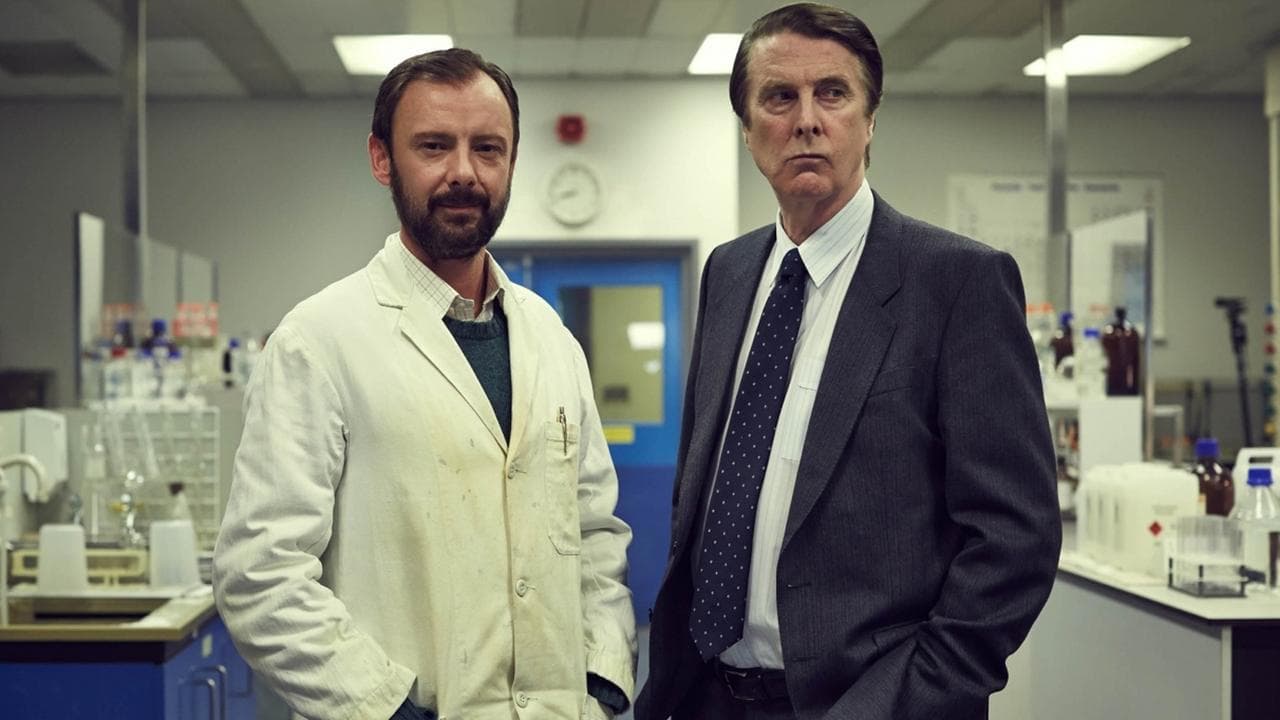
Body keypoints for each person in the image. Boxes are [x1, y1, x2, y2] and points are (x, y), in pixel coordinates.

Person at [636, 5, 1061, 720]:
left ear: (869, 121)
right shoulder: (729, 273)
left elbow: (1016, 538)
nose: (807, 120)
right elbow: (702, 489)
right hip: (708, 696)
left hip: (870, 701)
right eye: (779, 97)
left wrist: (913, 697)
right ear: (747, 129)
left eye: (832, 93)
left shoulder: (956, 282)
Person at [213, 48, 635, 720]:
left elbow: (595, 533)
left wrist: (602, 679)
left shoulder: (552, 339)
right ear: (382, 159)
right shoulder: (318, 341)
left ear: (512, 161)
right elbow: (260, 575)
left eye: (487, 148)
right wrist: (388, 708)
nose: (464, 172)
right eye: (434, 146)